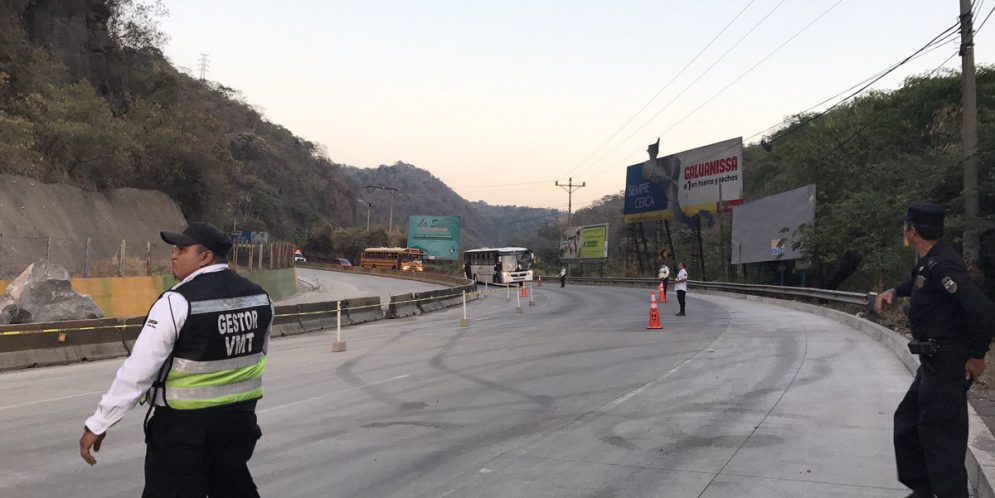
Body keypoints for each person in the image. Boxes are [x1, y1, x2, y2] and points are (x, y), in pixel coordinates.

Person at [79, 222, 275, 497]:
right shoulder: (261, 299)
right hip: (238, 427)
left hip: (183, 433)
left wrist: (100, 423)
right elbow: (257, 354)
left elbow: (139, 371)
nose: (173, 256)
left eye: (182, 250)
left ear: (205, 257)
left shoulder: (177, 302)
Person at [874, 202, 995, 498]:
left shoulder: (943, 265)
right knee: (908, 424)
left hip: (947, 364)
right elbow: (919, 283)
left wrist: (977, 356)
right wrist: (894, 291)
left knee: (942, 439)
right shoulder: (930, 261)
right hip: (932, 362)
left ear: (911, 230)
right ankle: (924, 489)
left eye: (906, 226)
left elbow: (982, 312)